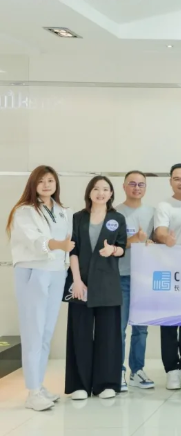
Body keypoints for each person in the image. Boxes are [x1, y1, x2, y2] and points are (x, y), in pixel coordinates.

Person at [7, 165, 74, 411]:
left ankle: (39, 384)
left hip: (56, 272)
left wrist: (63, 253)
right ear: (33, 185)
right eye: (41, 181)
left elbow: (68, 242)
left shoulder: (62, 211)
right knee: (32, 331)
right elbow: (34, 241)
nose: (46, 185)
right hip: (33, 271)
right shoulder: (24, 211)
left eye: (50, 180)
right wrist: (58, 245)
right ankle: (32, 392)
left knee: (46, 332)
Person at [65, 176, 127, 400]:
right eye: (96, 189)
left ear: (111, 194)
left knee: (108, 335)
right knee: (79, 333)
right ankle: (79, 385)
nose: (101, 193)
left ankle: (106, 383)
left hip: (107, 283)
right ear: (89, 192)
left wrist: (113, 250)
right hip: (81, 283)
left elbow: (122, 248)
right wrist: (76, 281)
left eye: (105, 189)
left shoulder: (117, 218)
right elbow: (72, 250)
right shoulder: (77, 218)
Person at [154, 163, 181, 390]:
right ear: (170, 181)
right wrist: (166, 239)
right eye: (177, 179)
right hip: (169, 270)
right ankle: (171, 369)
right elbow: (160, 231)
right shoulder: (164, 206)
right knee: (169, 321)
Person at [116, 170, 155, 392]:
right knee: (119, 328)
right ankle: (118, 371)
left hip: (144, 278)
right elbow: (112, 246)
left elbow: (157, 241)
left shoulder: (152, 213)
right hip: (121, 276)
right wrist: (135, 240)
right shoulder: (114, 213)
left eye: (141, 184)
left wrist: (152, 243)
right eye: (132, 184)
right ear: (124, 186)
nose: (137, 188)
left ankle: (137, 370)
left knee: (141, 329)